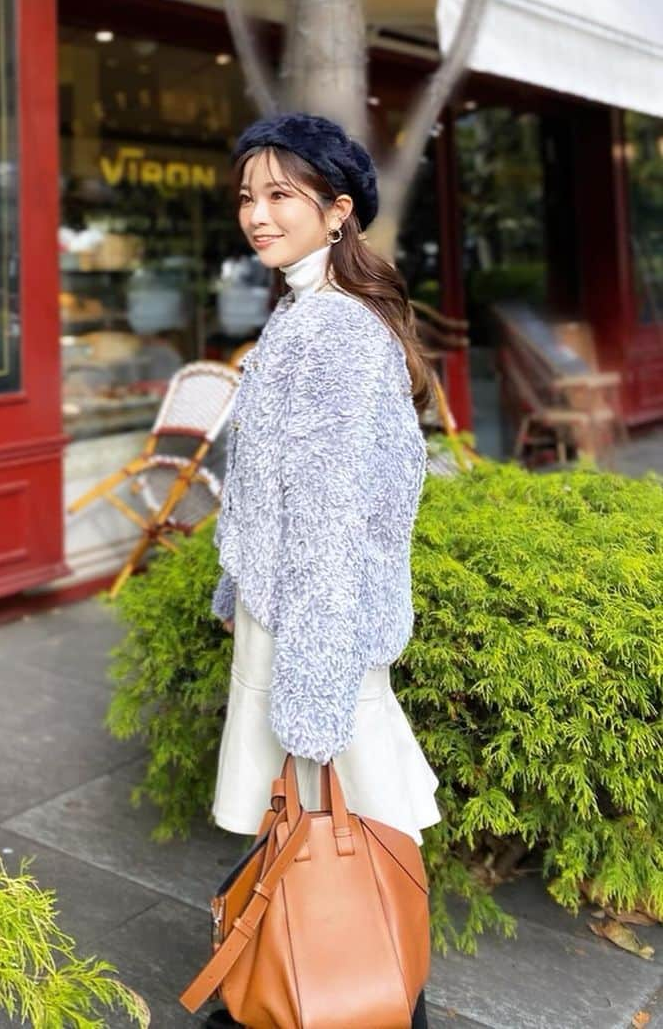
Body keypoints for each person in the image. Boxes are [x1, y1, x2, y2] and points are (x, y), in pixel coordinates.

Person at [206, 113, 441, 1029]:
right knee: (322, 827)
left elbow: (337, 519)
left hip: (316, 623)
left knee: (350, 821)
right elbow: (275, 489)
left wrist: (310, 682)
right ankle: (316, 984)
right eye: (246, 198)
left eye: (278, 196)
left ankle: (359, 991)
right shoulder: (303, 314)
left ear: (338, 211)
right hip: (293, 612)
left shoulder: (333, 331)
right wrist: (240, 588)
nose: (256, 216)